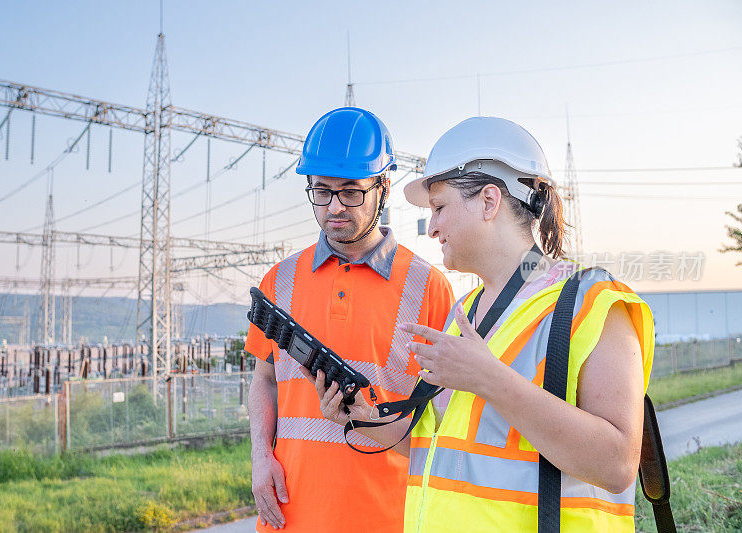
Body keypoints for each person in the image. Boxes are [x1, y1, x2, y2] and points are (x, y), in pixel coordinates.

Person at [305, 117, 655, 532]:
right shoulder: (466, 313)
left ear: (489, 202)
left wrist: (489, 378)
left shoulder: (592, 304)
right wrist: (360, 418)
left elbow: (617, 465)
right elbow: (436, 448)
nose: (431, 227)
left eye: (439, 208)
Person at [245, 107, 455, 532]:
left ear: (383, 188)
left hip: (385, 516)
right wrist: (260, 457)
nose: (334, 208)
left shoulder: (429, 287)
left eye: (351, 192)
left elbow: (443, 424)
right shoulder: (279, 279)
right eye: (321, 191)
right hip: (289, 515)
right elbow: (264, 380)